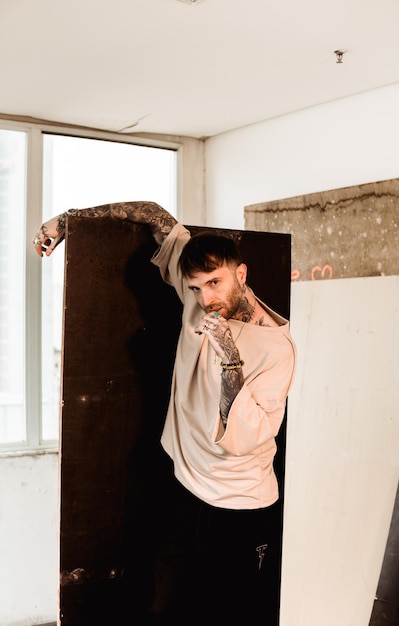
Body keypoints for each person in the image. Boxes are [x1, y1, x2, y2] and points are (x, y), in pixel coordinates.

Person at [33, 201, 296, 625]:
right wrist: (67, 220)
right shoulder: (197, 294)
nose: (206, 298)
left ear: (241, 275)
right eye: (195, 288)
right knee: (166, 607)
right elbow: (155, 215)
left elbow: (246, 439)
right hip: (184, 486)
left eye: (215, 283)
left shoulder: (275, 347)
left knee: (234, 613)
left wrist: (228, 356)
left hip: (239, 506)